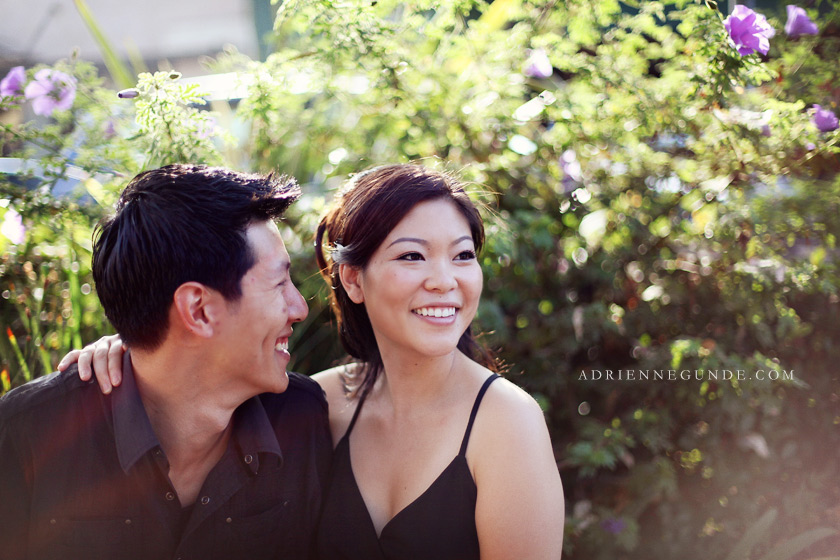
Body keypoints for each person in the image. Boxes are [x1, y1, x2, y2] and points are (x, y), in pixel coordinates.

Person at [62, 163, 566, 558]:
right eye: (412, 256)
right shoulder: (314, 403)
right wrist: (131, 348)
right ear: (353, 279)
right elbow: (193, 373)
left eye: (462, 255)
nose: (444, 280)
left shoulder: (507, 421)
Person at [0, 164, 332, 560]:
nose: (299, 307)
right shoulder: (27, 432)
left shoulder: (302, 418)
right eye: (280, 283)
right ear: (199, 310)